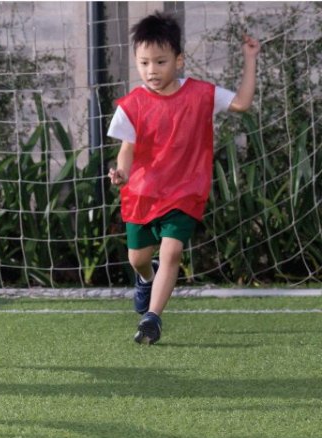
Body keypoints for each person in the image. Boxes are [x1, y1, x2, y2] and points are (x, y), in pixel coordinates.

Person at [107, 12, 259, 345]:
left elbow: (242, 103)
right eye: (144, 63)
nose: (152, 70)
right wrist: (122, 173)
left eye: (160, 62)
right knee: (138, 259)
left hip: (185, 192)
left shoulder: (201, 94)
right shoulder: (132, 105)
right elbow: (127, 149)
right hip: (142, 192)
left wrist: (250, 59)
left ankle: (152, 318)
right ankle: (145, 279)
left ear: (179, 61)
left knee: (172, 253)